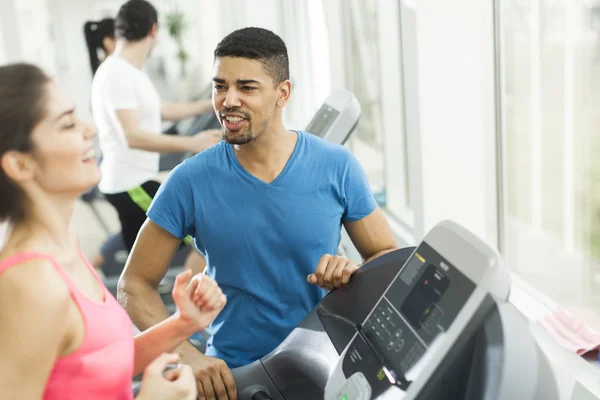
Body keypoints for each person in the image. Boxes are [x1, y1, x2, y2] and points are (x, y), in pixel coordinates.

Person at [119, 27, 398, 399]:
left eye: (246, 88)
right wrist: (187, 355)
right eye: (220, 87)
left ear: (282, 93)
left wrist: (352, 273)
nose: (228, 100)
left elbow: (388, 260)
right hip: (235, 376)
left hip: (324, 365)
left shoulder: (337, 166)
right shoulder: (190, 179)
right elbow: (133, 285)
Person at [0, 62, 227, 399]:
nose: (89, 130)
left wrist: (183, 323)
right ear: (20, 164)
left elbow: (95, 364)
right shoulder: (31, 283)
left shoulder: (64, 248)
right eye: (67, 125)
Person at [90, 0, 220, 271]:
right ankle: (187, 304)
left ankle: (176, 298)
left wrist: (209, 103)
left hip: (135, 180)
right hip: (130, 183)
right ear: (153, 30)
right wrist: (194, 142)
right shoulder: (117, 74)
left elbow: (158, 111)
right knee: (202, 238)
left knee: (180, 245)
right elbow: (133, 136)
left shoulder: (130, 71)